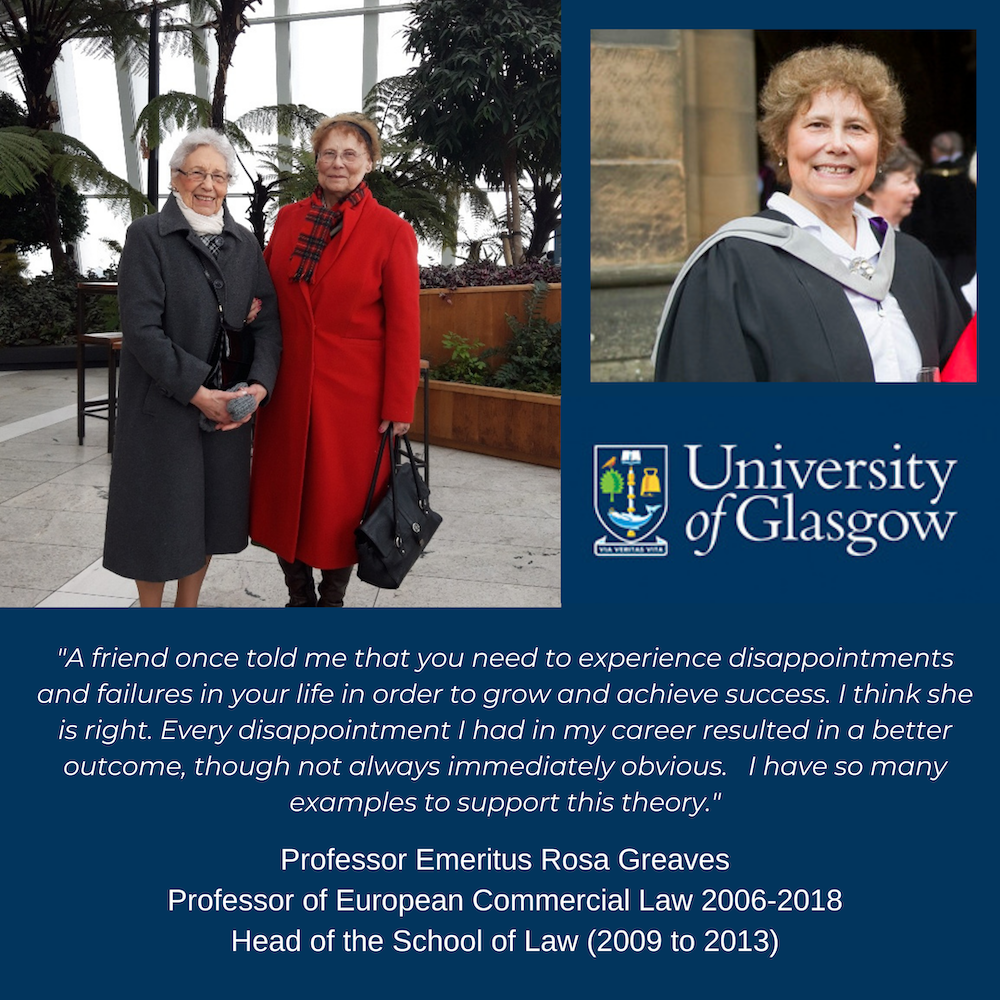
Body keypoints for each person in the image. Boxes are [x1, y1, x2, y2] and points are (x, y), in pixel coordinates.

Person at [653, 45, 963, 382]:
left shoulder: (912, 261)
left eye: (857, 128)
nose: (838, 144)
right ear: (781, 142)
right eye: (817, 125)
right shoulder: (733, 265)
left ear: (881, 147)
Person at [103, 129, 282, 606]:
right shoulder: (148, 236)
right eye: (197, 173)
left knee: (206, 518)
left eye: (219, 175)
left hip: (226, 410)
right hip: (165, 407)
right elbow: (141, 330)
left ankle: (187, 611)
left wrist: (259, 387)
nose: (208, 185)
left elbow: (269, 323)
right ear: (176, 179)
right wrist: (199, 392)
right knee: (159, 521)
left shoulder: (245, 244)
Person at [249, 113, 421, 607]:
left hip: (355, 397)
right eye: (329, 153)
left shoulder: (392, 231)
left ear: (369, 161)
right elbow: (266, 291)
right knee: (286, 497)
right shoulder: (288, 219)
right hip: (287, 388)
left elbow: (405, 327)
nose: (338, 163)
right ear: (316, 159)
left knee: (342, 502)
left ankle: (334, 597)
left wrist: (398, 404)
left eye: (350, 154)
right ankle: (297, 593)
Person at [901, 130, 976, 316]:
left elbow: (919, 215)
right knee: (963, 289)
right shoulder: (966, 176)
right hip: (966, 245)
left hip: (936, 245)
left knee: (939, 292)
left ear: (935, 150)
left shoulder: (927, 180)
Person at [857, 143, 922, 229]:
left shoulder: (897, 231)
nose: (916, 191)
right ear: (870, 188)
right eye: (906, 182)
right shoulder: (857, 235)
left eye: (914, 181)